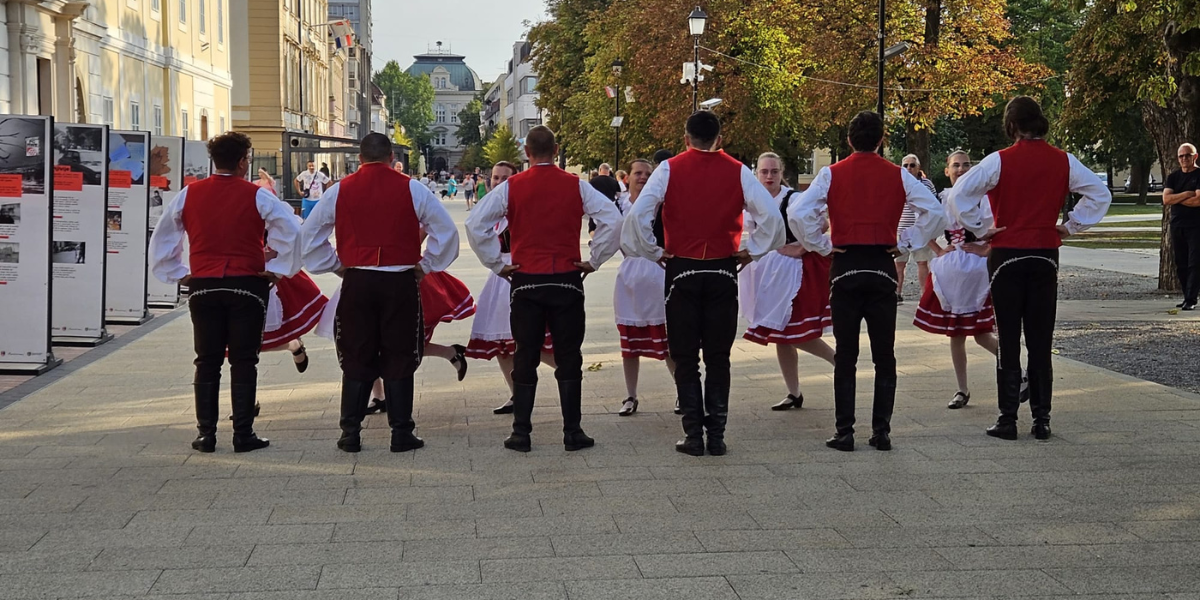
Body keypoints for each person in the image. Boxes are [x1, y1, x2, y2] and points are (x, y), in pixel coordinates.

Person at [623, 111, 785, 456]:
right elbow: (772, 218)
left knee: (684, 356)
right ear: (720, 139)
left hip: (681, 267)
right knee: (718, 356)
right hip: (723, 269)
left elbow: (638, 216)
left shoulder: (669, 169)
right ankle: (719, 434)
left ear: (686, 139)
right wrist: (752, 252)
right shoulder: (739, 170)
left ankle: (694, 433)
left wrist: (653, 252)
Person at [953, 96, 1111, 441]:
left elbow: (959, 195)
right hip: (1043, 252)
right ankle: (1042, 419)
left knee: (1008, 338)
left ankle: (1008, 418)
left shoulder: (998, 161)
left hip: (1007, 251)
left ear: (1012, 127)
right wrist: (1070, 225)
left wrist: (981, 228)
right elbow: (1100, 194)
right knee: (1041, 338)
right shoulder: (1064, 161)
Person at [791, 111, 944, 452]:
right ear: (881, 140)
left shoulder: (831, 174)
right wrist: (905, 242)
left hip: (845, 264)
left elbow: (798, 213)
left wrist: (822, 243)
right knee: (884, 354)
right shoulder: (899, 176)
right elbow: (935, 212)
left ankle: (845, 431)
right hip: (881, 264)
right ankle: (881, 431)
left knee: (846, 353)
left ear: (848, 140)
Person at [466, 126, 622, 453]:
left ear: (526, 153)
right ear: (557, 148)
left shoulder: (511, 187)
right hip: (566, 277)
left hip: (526, 279)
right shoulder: (576, 186)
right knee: (568, 355)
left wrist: (497, 263)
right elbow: (613, 219)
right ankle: (572, 431)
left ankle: (521, 432)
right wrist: (595, 259)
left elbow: (475, 223)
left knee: (525, 353)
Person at [301, 133, 459, 453]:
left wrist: (336, 265)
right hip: (400, 281)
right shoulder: (413, 188)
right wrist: (426, 266)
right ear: (391, 156)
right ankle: (401, 432)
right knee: (400, 354)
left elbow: (308, 238)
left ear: (359, 158)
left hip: (357, 282)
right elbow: (447, 233)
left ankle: (350, 433)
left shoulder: (338, 190)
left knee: (357, 353)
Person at [149, 131, 301, 453]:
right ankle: (243, 434)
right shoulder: (257, 196)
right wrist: (277, 269)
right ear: (244, 161)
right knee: (244, 360)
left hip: (204, 284)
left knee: (207, 359)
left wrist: (180, 274)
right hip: (246, 283)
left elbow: (163, 239)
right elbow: (290, 229)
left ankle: (206, 434)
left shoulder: (189, 195)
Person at [740, 152, 836, 410]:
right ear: (757, 174)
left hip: (795, 271)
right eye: (764, 172)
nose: (769, 176)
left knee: (792, 330)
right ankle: (793, 392)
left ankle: (839, 361)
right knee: (781, 334)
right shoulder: (753, 201)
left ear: (782, 173)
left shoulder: (794, 199)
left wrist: (801, 247)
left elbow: (822, 224)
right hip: (770, 272)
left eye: (774, 171)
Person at [464, 161, 558, 414]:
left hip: (520, 273)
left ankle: (567, 368)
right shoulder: (490, 210)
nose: (499, 182)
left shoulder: (522, 206)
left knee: (528, 340)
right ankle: (516, 394)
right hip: (499, 278)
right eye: (495, 177)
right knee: (501, 344)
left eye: (505, 177)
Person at [913, 150, 1001, 409]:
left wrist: (987, 249)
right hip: (949, 272)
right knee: (956, 334)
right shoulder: (942, 198)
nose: (961, 169)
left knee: (982, 333)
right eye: (956, 165)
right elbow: (924, 225)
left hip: (977, 273)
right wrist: (938, 250)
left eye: (965, 165)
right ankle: (962, 389)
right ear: (947, 170)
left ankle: (1016, 369)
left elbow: (1000, 227)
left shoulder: (983, 199)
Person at [613, 159, 676, 416]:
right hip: (629, 274)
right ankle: (630, 395)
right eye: (638, 173)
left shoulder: (662, 205)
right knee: (629, 344)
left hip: (658, 272)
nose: (643, 177)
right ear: (628, 177)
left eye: (648, 174)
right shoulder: (619, 204)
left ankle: (683, 391)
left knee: (668, 340)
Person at [895, 154, 939, 303]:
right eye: (905, 165)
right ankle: (897, 292)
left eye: (912, 165)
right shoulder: (897, 183)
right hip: (901, 229)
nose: (909, 168)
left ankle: (924, 294)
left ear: (918, 168)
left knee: (922, 262)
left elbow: (934, 204)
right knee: (899, 263)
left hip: (921, 229)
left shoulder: (926, 184)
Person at [1164, 143, 1200, 310]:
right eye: (1181, 156)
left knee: (1194, 263)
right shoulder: (1173, 177)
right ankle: (1187, 296)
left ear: (1195, 156)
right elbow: (1166, 200)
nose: (1184, 158)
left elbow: (1198, 200)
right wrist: (1187, 194)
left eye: (1188, 155)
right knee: (1181, 263)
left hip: (1196, 226)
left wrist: (1176, 198)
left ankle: (1191, 300)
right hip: (1177, 225)